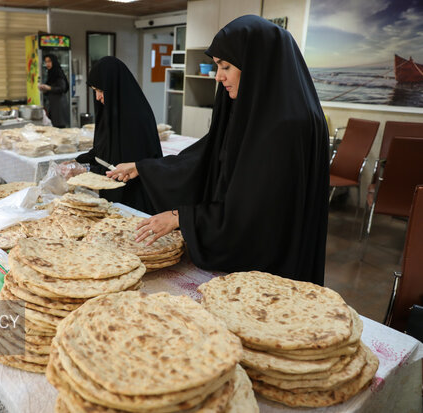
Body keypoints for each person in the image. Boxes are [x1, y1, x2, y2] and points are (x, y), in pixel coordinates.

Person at [107, 15, 329, 285]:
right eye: (217, 66)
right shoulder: (253, 109)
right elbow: (208, 157)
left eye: (226, 66)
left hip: (271, 274)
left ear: (256, 64)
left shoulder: (287, 126)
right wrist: (144, 167)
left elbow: (256, 214)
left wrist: (181, 218)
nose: (219, 77)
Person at [76, 56, 163, 214]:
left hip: (134, 201)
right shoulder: (110, 112)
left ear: (114, 87)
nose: (97, 97)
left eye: (101, 91)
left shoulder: (136, 118)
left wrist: (86, 170)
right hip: (114, 196)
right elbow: (101, 151)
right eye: (95, 91)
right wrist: (78, 162)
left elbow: (124, 169)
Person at [38, 54, 70, 128]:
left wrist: (48, 88)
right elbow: (51, 88)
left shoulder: (58, 72)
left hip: (59, 106)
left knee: (59, 129)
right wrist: (44, 90)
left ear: (54, 62)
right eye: (46, 62)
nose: (47, 64)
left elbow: (62, 88)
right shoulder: (50, 73)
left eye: (49, 61)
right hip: (53, 105)